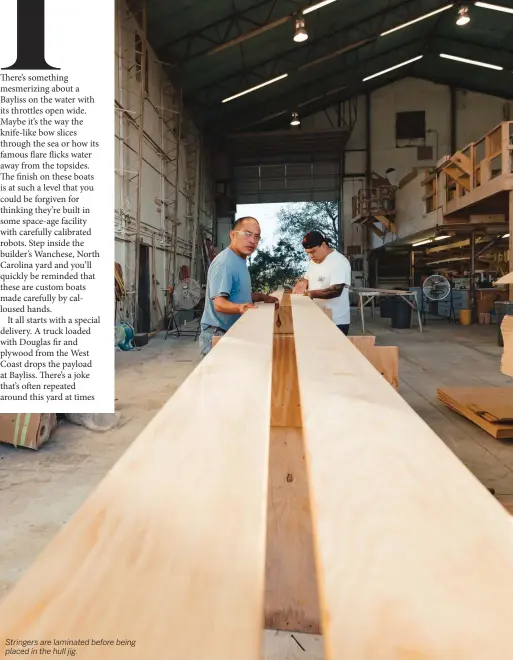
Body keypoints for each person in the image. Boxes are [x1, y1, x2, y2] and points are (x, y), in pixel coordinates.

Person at [199, 216, 279, 357]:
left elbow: (237, 293)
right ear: (232, 234)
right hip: (218, 333)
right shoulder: (225, 263)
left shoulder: (239, 260)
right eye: (247, 234)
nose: (252, 241)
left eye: (257, 237)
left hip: (231, 331)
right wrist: (241, 308)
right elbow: (219, 304)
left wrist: (261, 297)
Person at [292, 230, 352, 335]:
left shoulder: (339, 262)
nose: (311, 256)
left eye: (313, 251)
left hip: (336, 322)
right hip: (318, 318)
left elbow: (336, 291)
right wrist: (303, 282)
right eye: (308, 253)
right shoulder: (314, 261)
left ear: (323, 245)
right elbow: (307, 278)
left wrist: (311, 294)